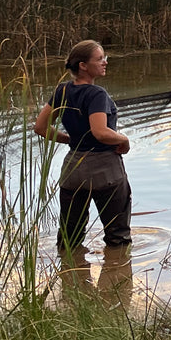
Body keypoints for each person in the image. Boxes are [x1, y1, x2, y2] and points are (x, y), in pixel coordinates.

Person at [33, 39, 133, 262]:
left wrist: (70, 140)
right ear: (83, 66)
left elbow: (40, 127)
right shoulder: (97, 94)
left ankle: (70, 280)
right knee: (118, 237)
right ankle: (116, 280)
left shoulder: (62, 90)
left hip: (72, 171)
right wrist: (124, 140)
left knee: (69, 238)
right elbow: (101, 132)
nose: (105, 62)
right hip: (105, 171)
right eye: (100, 59)